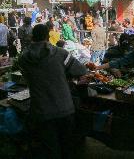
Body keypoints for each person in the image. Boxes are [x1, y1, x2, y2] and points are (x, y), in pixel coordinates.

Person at [19, 24, 87, 159]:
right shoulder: (61, 53)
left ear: (32, 37)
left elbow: (27, 77)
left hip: (41, 111)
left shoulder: (23, 58)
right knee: (67, 146)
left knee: (50, 149)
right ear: (47, 36)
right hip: (65, 109)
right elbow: (80, 70)